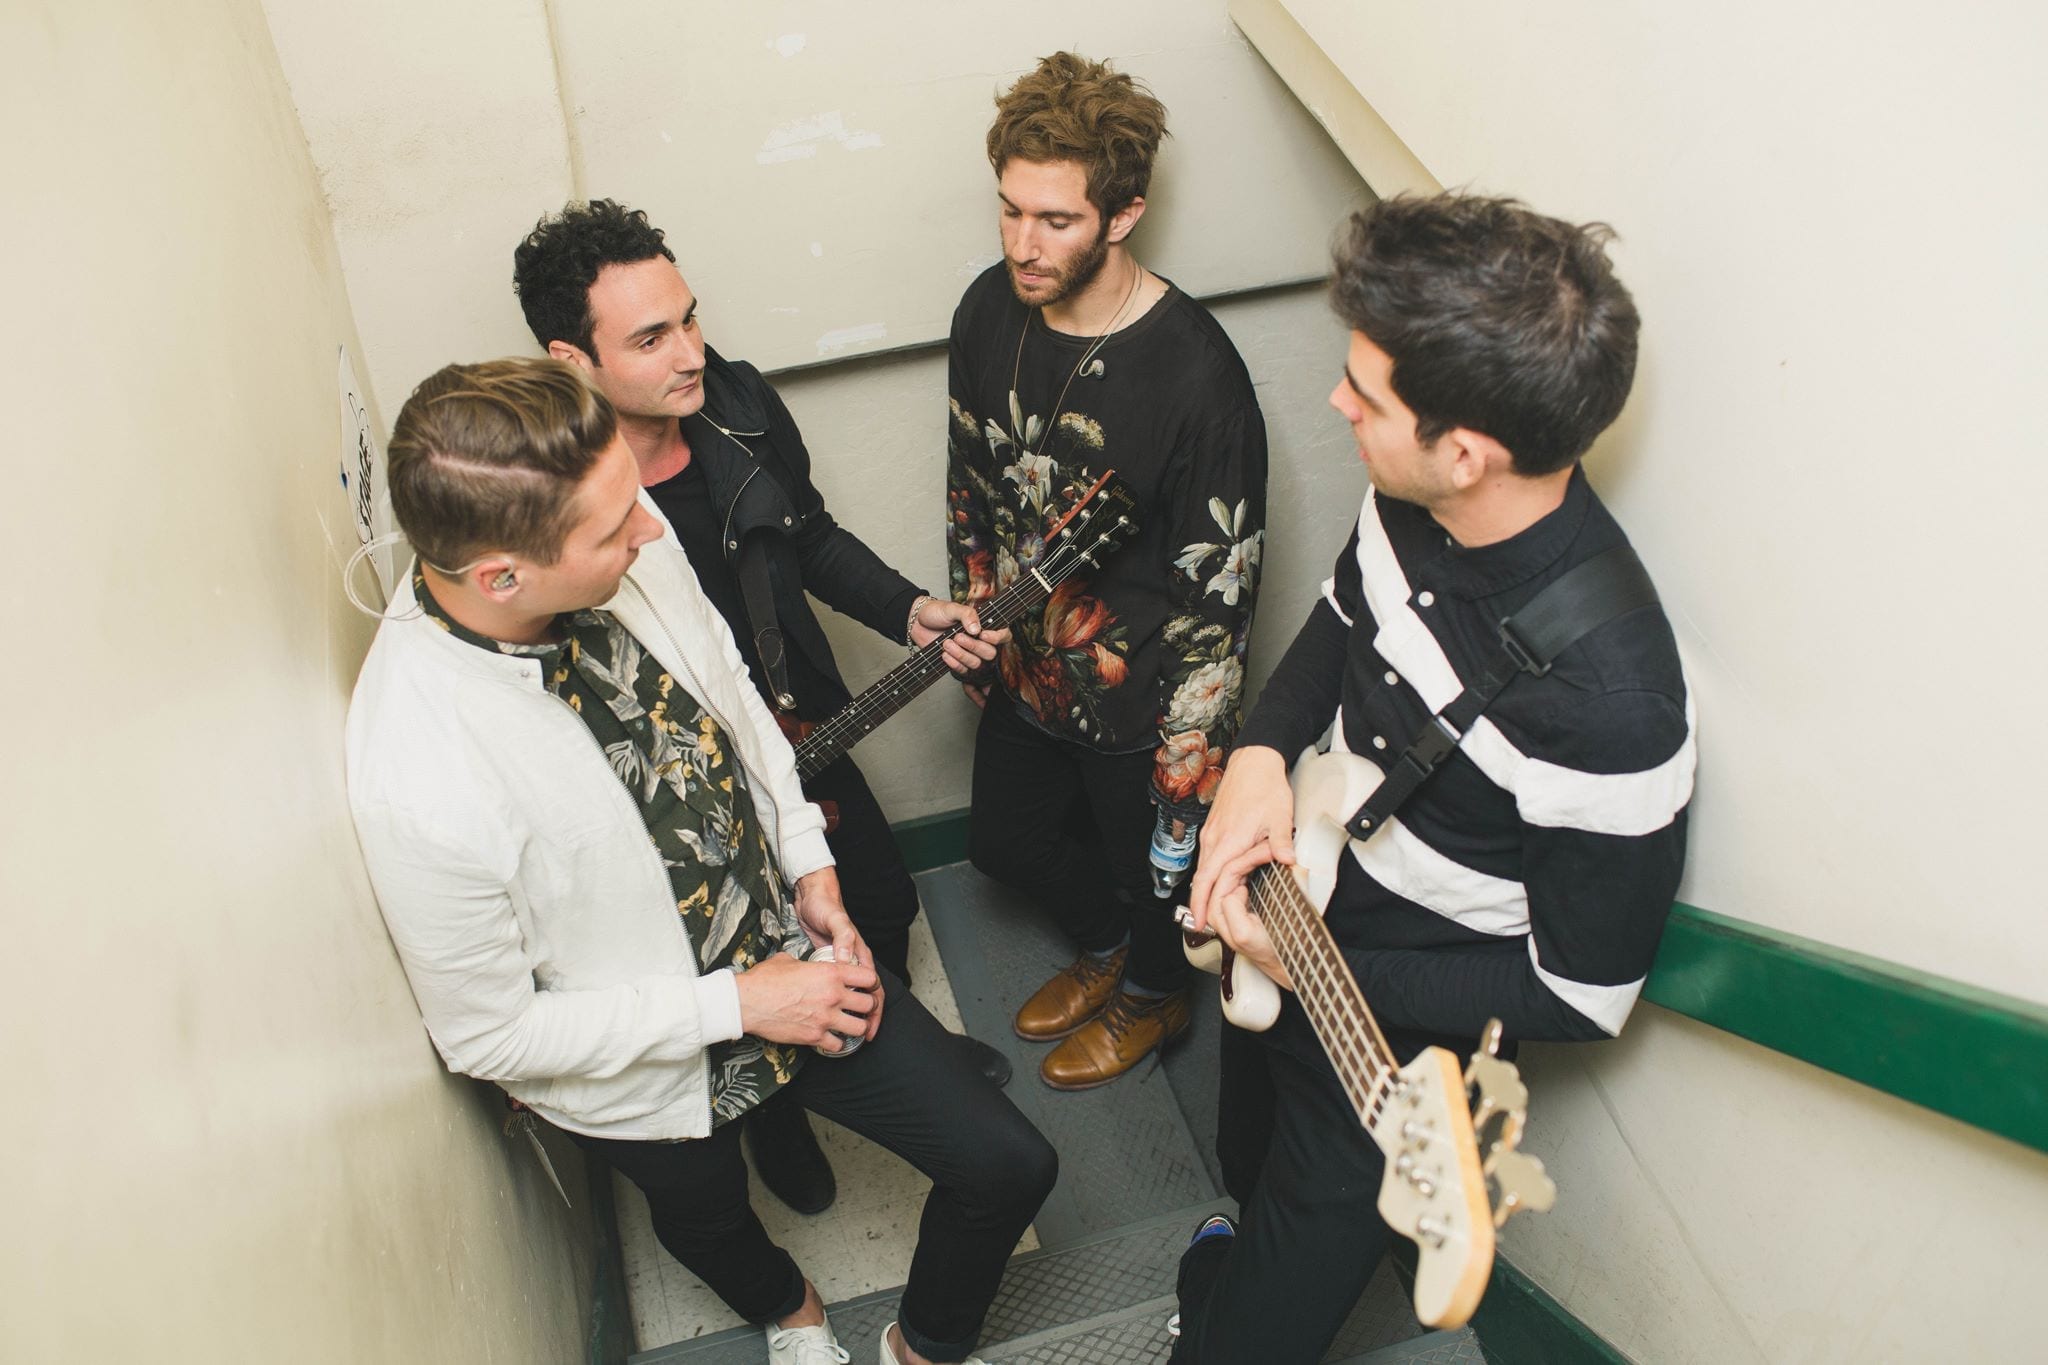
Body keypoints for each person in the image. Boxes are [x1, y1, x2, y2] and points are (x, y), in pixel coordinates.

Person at [346, 359, 1054, 1365]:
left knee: (1008, 1164)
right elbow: (490, 1036)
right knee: (709, 1218)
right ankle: (794, 1311)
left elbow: (731, 692)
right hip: (644, 1064)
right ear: (502, 576)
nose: (650, 528)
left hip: (788, 951)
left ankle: (920, 1350)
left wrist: (808, 863)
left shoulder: (629, 523)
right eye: (611, 529)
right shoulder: (416, 774)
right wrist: (742, 1006)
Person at [1171, 194, 1696, 1362]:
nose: (1336, 403)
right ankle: (1227, 1240)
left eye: (1363, 395)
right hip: (1303, 888)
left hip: (1394, 1010)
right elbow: (1342, 611)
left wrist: (1321, 970)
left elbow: (1580, 995)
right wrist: (1257, 757)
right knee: (1243, 1141)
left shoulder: (1612, 709)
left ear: (1463, 451)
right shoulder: (1413, 500)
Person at [513, 200, 1013, 1219]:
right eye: (651, 339)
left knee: (879, 905)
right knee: (749, 966)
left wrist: (908, 610)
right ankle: (779, 1115)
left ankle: (901, 1064)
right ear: (572, 360)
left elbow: (808, 534)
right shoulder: (550, 493)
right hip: (684, 789)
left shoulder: (736, 404)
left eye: (690, 318)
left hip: (803, 727)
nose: (691, 353)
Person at [946, 52, 1268, 1089]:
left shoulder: (1199, 378)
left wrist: (1186, 766)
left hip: (1140, 701)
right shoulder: (986, 311)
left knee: (1152, 877)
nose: (1022, 244)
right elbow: (970, 478)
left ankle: (1154, 994)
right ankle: (1106, 946)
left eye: (1056, 221)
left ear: (1123, 215)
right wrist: (974, 608)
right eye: (1010, 210)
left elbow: (1218, 601)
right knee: (1003, 840)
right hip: (1023, 664)